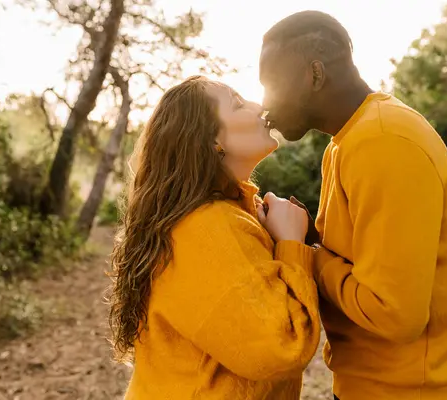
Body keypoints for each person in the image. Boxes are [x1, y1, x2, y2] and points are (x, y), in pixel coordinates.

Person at [259, 10, 447, 400]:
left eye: (271, 84)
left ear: (315, 74)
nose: (264, 105)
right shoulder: (348, 142)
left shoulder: (384, 141)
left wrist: (306, 252)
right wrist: (314, 236)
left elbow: (395, 314)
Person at [108, 75, 321, 400]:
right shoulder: (209, 226)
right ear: (212, 142)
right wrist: (292, 244)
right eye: (237, 104)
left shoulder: (216, 216)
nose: (259, 105)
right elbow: (281, 348)